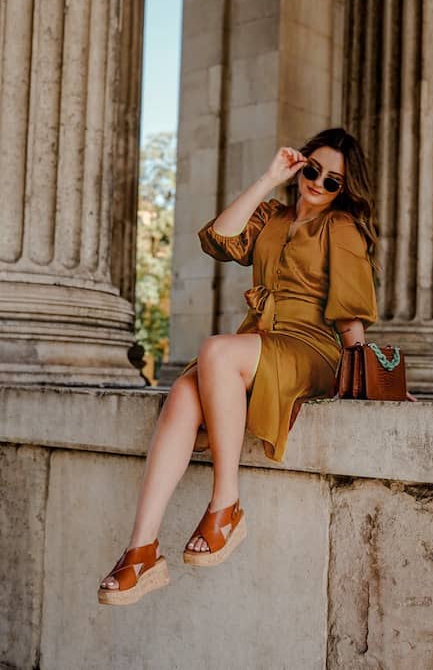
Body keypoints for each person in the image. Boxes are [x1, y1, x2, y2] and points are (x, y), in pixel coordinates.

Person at [97, 127, 416, 606]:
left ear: (344, 190)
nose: (319, 183)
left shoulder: (342, 228)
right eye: (313, 170)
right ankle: (141, 549)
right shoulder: (272, 216)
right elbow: (218, 239)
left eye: (333, 181)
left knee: (217, 351)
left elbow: (350, 317)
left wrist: (375, 380)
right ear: (300, 165)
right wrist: (269, 178)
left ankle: (226, 503)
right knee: (184, 393)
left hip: (311, 349)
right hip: (260, 341)